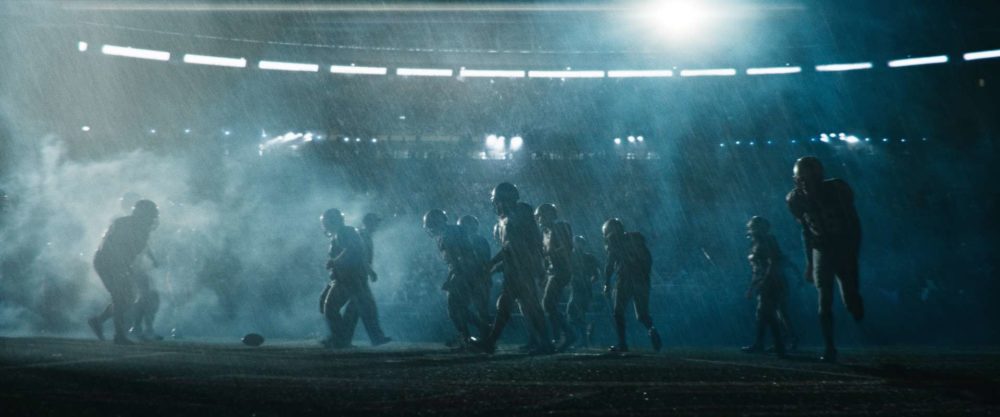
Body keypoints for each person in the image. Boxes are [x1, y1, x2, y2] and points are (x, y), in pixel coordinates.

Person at [786, 156, 864, 363]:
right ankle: (830, 347)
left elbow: (853, 223)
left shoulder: (837, 190)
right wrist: (810, 262)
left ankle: (855, 305)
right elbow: (806, 231)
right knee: (824, 300)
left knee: (850, 299)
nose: (805, 183)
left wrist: (852, 252)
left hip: (842, 246)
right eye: (801, 179)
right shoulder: (795, 199)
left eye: (809, 178)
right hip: (822, 249)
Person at [471, 183, 553, 355]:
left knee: (513, 305)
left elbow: (512, 247)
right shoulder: (511, 217)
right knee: (520, 305)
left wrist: (492, 263)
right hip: (518, 268)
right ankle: (542, 341)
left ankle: (492, 342)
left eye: (498, 201)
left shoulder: (517, 215)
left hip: (521, 268)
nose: (496, 205)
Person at [87, 200, 160, 345]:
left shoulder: (142, 230)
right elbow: (111, 246)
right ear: (141, 214)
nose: (152, 218)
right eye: (149, 215)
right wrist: (119, 267)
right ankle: (119, 335)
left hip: (121, 265)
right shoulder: (123, 224)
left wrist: (151, 259)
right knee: (120, 297)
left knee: (127, 298)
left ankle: (98, 321)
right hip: (106, 262)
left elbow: (142, 247)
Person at [319, 208, 389, 348]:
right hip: (349, 277)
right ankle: (344, 339)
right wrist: (369, 271)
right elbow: (359, 253)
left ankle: (339, 339)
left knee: (332, 307)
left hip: (348, 278)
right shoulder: (346, 232)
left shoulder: (345, 232)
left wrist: (335, 261)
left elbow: (353, 250)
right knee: (359, 308)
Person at [424, 210, 489, 349]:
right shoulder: (447, 233)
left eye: (430, 223)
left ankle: (474, 332)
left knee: (454, 308)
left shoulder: (449, 234)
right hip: (464, 272)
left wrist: (453, 276)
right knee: (458, 308)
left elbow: (460, 257)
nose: (430, 227)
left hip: (464, 272)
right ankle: (471, 334)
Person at [602, 218, 662, 353]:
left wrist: (606, 282)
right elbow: (648, 260)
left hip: (625, 280)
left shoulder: (614, 242)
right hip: (642, 280)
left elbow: (609, 265)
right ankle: (651, 329)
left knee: (618, 313)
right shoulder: (637, 240)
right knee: (642, 314)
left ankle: (622, 343)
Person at [342, 212, 392, 346]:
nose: (377, 225)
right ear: (369, 223)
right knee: (366, 307)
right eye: (375, 222)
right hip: (358, 275)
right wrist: (370, 271)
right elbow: (360, 256)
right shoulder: (363, 235)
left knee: (356, 308)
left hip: (358, 275)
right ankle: (376, 337)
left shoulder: (363, 235)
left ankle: (342, 338)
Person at [741, 216, 786, 358]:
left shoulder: (767, 241)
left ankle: (774, 345)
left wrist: (766, 280)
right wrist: (752, 287)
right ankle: (773, 345)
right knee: (764, 314)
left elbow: (772, 262)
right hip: (764, 281)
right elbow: (757, 268)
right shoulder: (756, 243)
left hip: (771, 281)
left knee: (766, 313)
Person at [535, 203, 576, 351]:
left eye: (541, 215)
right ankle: (559, 336)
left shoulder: (560, 227)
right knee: (549, 305)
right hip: (553, 271)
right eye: (538, 216)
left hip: (561, 270)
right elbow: (547, 255)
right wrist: (545, 272)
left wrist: (552, 255)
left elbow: (567, 247)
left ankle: (567, 334)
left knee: (548, 303)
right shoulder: (545, 231)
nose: (539, 218)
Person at [458, 215, 493, 332]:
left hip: (479, 279)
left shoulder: (479, 241)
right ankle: (484, 334)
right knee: (464, 308)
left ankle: (486, 336)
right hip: (470, 279)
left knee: (481, 309)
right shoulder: (465, 242)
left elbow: (484, 261)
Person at [569, 235, 601, 347]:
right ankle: (584, 336)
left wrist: (585, 282)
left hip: (582, 289)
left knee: (576, 312)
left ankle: (583, 338)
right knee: (574, 313)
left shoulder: (587, 257)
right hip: (578, 288)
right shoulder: (573, 256)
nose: (576, 245)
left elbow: (596, 274)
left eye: (578, 243)